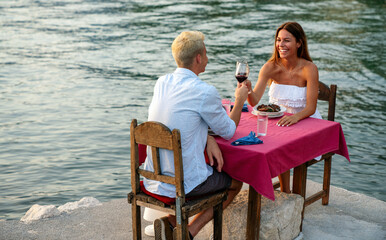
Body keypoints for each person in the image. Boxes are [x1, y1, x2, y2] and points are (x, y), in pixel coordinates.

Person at [143, 31, 249, 239]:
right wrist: (240, 100)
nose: (208, 60)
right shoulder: (204, 91)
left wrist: (208, 137)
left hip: (153, 178)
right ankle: (189, 232)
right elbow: (228, 131)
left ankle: (173, 223)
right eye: (206, 55)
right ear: (199, 58)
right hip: (183, 183)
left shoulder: (162, 82)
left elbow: (181, 120)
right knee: (236, 183)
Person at [246, 22, 322, 193]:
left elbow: (311, 107)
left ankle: (289, 194)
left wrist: (294, 117)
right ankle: (285, 192)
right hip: (279, 120)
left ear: (299, 43)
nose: (281, 45)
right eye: (278, 40)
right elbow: (254, 101)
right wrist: (247, 89)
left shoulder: (309, 69)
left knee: (282, 144)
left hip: (306, 120)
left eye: (286, 40)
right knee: (260, 141)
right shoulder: (270, 67)